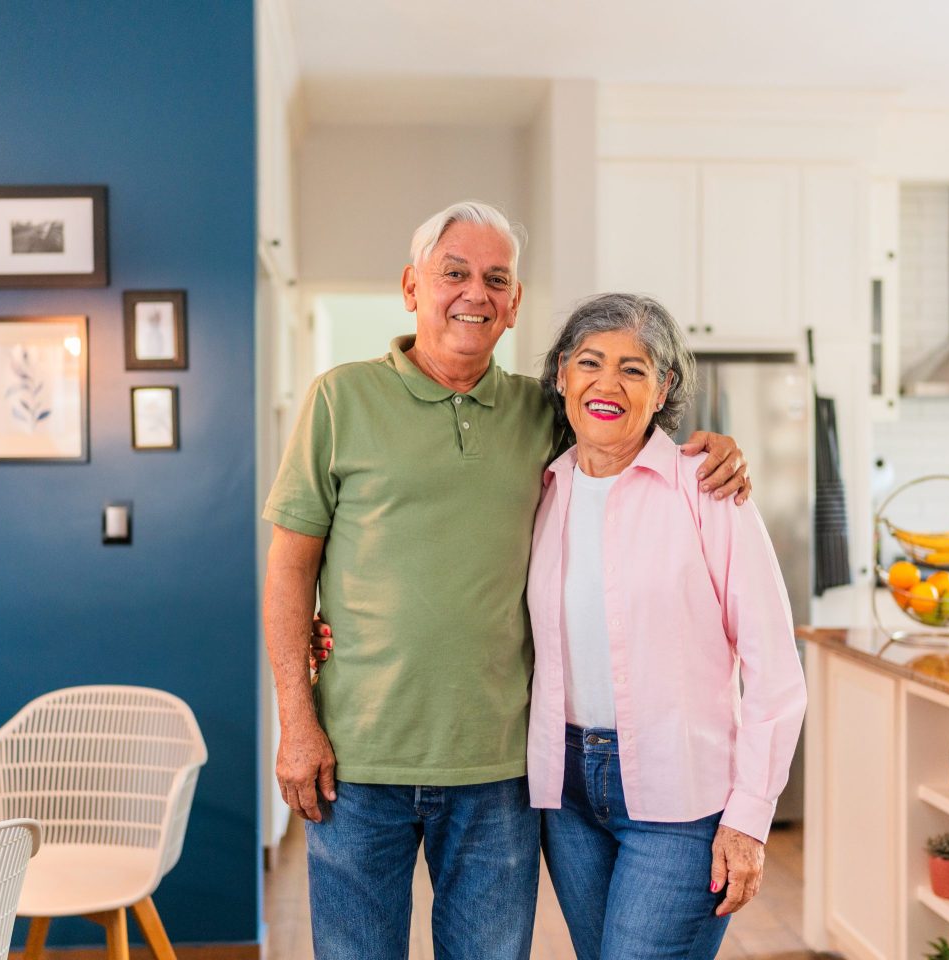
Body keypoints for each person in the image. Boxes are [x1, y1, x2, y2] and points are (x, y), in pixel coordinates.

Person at [262, 201, 752, 960]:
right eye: (453, 272)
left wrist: (712, 450)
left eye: (497, 278)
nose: (475, 292)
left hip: (501, 767)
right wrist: (297, 721)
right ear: (411, 286)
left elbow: (622, 427)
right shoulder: (339, 399)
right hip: (355, 761)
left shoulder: (541, 411)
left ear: (515, 302)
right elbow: (290, 569)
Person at [528, 293, 806, 960]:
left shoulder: (707, 490)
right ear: (563, 373)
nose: (607, 384)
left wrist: (749, 819)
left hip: (681, 798)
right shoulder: (542, 488)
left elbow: (775, 669)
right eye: (590, 362)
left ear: (663, 389)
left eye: (633, 368)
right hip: (565, 796)